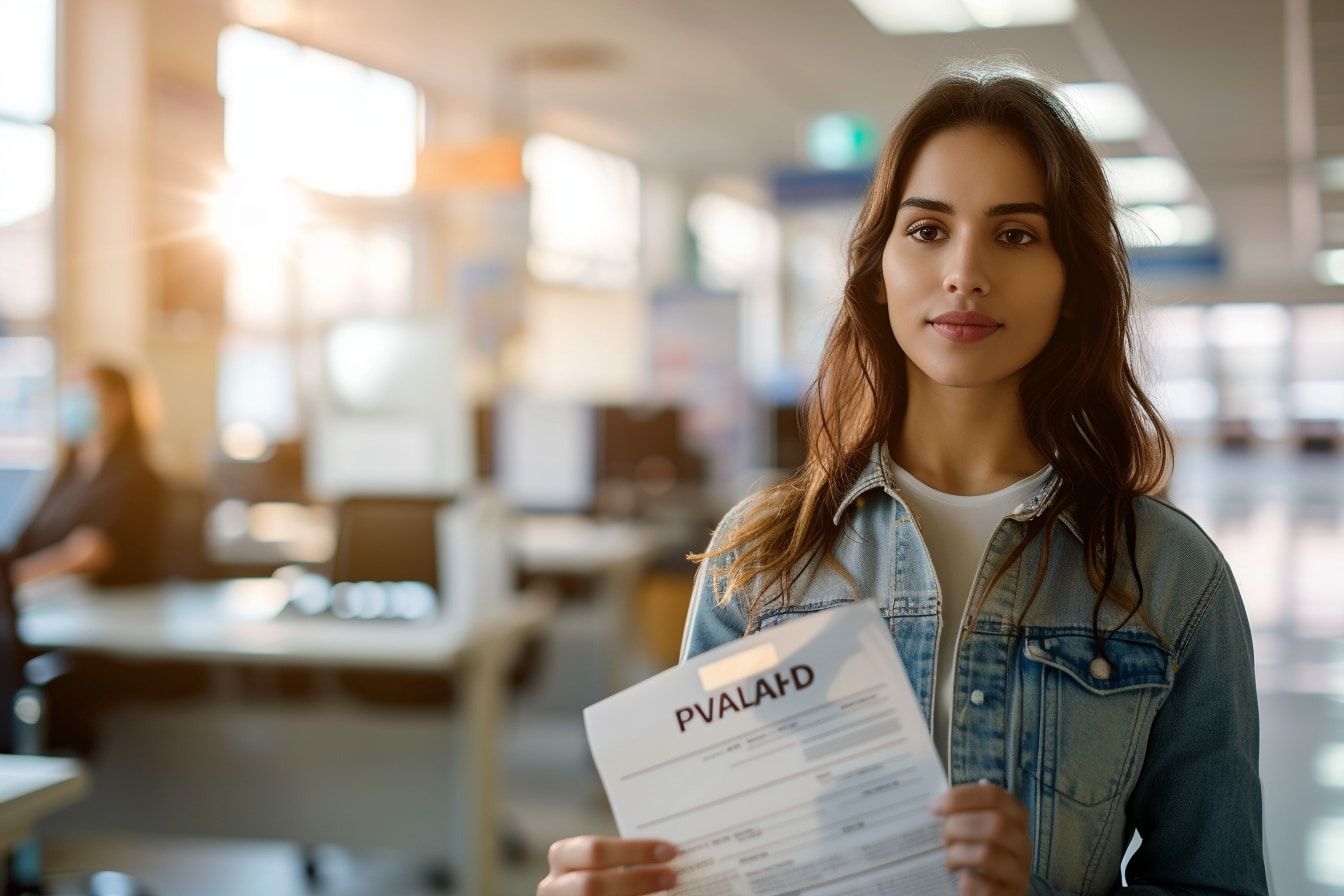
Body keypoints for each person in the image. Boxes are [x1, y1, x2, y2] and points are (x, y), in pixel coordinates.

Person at [539, 63, 1266, 896]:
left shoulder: (1171, 577)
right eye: (926, 230)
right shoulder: (761, 554)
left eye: (1016, 234)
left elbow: (1219, 882)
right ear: (878, 272)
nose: (964, 272)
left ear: (1072, 285)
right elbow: (712, 870)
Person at [8, 362, 166, 588]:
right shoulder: (68, 474)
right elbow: (26, 540)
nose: (73, 403)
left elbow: (92, 553)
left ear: (119, 404)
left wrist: (14, 579)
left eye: (84, 393)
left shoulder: (139, 479)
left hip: (101, 606)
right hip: (43, 600)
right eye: (70, 393)